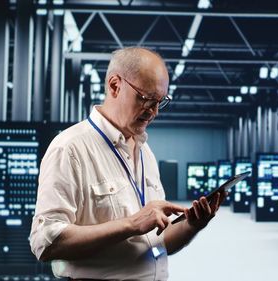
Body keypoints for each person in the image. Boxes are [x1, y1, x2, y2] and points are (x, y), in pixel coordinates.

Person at [29, 47, 225, 280]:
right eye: (147, 99)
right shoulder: (70, 148)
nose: (153, 112)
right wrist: (131, 224)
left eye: (160, 102)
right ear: (114, 85)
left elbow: (156, 243)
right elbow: (45, 242)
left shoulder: (145, 152)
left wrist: (192, 226)